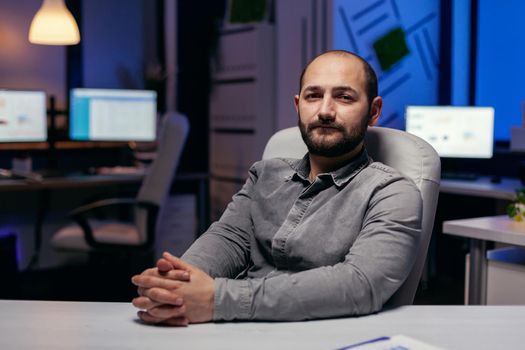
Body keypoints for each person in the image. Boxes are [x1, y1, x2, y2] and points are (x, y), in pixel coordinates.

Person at [131, 50, 422, 326]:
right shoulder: (265, 174)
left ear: (373, 111)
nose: (325, 111)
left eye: (344, 97)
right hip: (233, 331)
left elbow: (360, 284)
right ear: (298, 106)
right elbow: (227, 239)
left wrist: (218, 300)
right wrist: (176, 287)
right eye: (313, 96)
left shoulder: (391, 193)